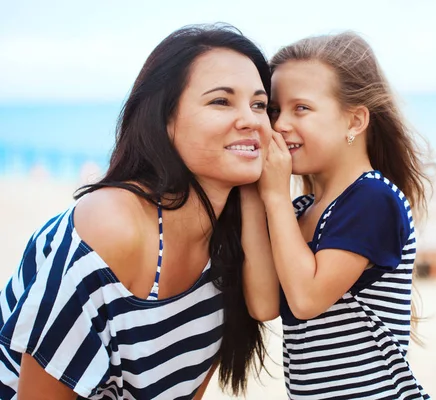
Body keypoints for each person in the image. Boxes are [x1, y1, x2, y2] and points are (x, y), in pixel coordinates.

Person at [0, 24, 276, 399]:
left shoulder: (233, 240)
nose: (251, 120)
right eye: (221, 101)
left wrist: (266, 195)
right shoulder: (112, 227)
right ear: (164, 119)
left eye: (259, 104)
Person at [257, 32, 431, 399]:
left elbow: (306, 299)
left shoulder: (372, 199)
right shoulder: (299, 212)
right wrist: (250, 192)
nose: (280, 124)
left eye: (300, 108)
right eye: (274, 111)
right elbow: (263, 304)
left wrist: (273, 196)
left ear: (354, 121)